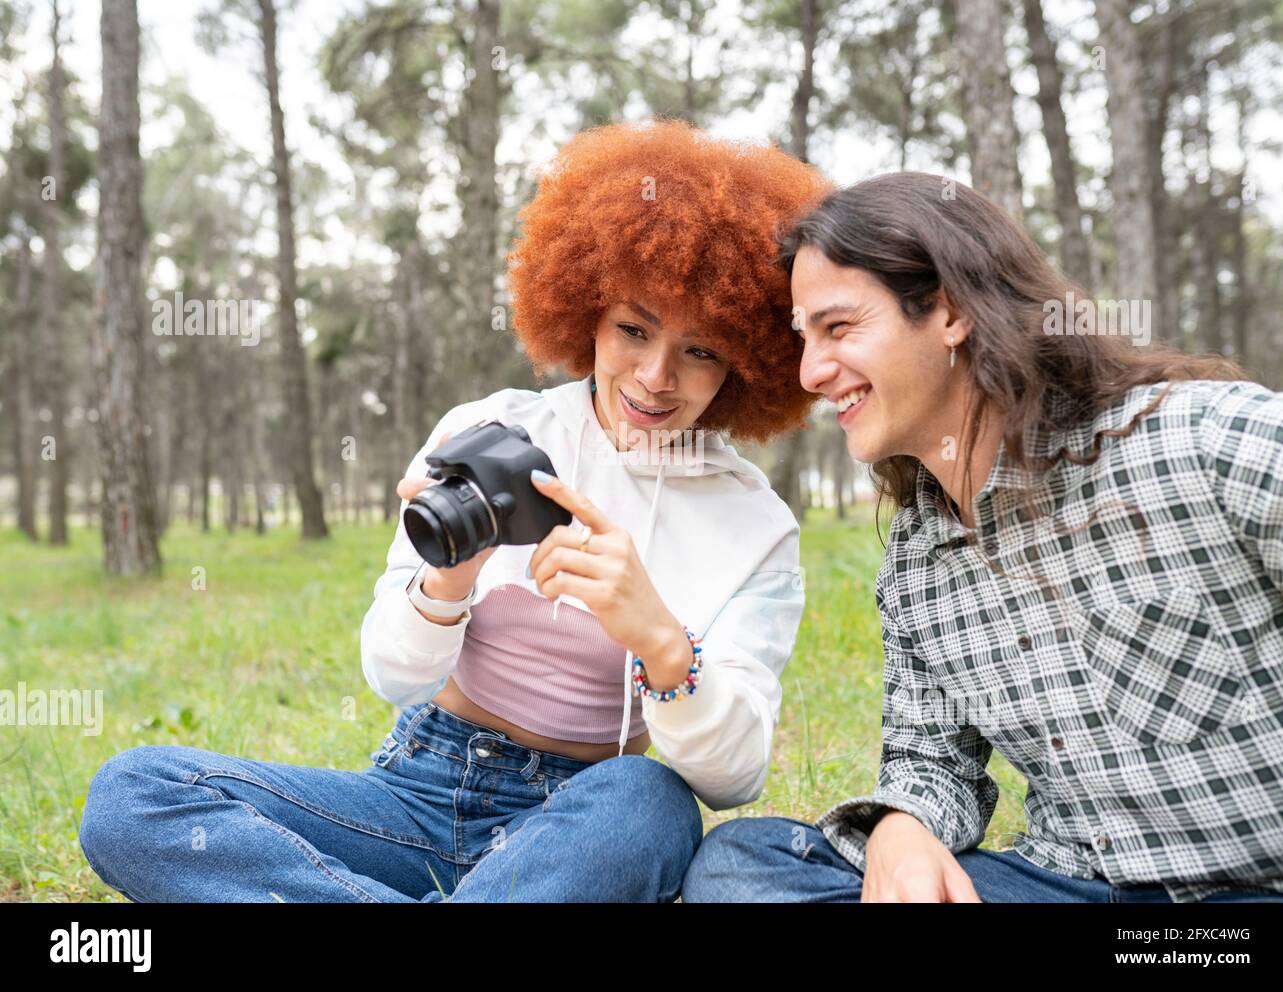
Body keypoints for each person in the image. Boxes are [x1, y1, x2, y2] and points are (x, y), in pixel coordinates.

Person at [78, 119, 829, 903]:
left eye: (700, 350)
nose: (653, 375)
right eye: (631, 329)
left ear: (745, 363)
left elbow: (733, 777)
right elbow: (391, 675)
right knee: (136, 794)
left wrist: (661, 643)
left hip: (581, 823)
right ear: (587, 312)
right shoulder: (491, 431)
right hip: (414, 793)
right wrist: (446, 586)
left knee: (656, 803)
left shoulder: (755, 526)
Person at [682, 172, 1283, 903]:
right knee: (739, 867)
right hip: (1067, 885)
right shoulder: (917, 562)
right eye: (803, 337)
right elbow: (932, 765)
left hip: (1254, 894)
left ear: (949, 312)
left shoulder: (1199, 440)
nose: (813, 372)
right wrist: (900, 827)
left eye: (839, 329)